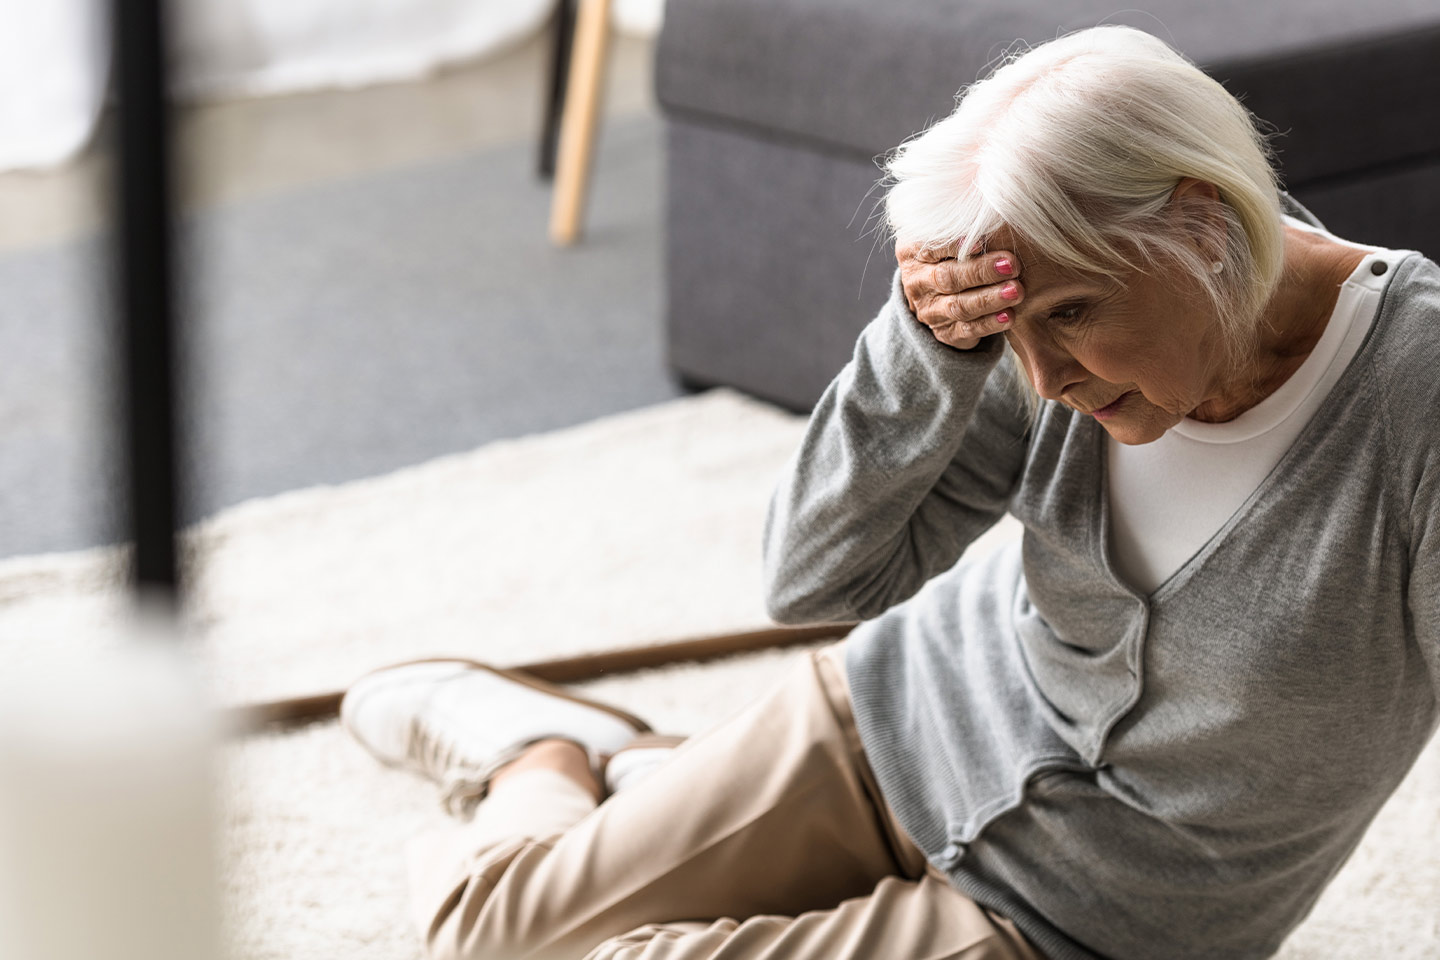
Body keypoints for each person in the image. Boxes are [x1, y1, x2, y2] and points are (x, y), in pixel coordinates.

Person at [339, 24, 1439, 960]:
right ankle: (546, 755)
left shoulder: (1416, 400)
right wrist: (929, 346)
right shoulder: (1033, 329)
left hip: (1071, 921)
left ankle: (632, 773)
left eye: (1069, 314)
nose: (1046, 382)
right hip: (900, 717)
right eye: (1011, 329)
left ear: (1203, 227)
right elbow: (819, 577)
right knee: (486, 933)